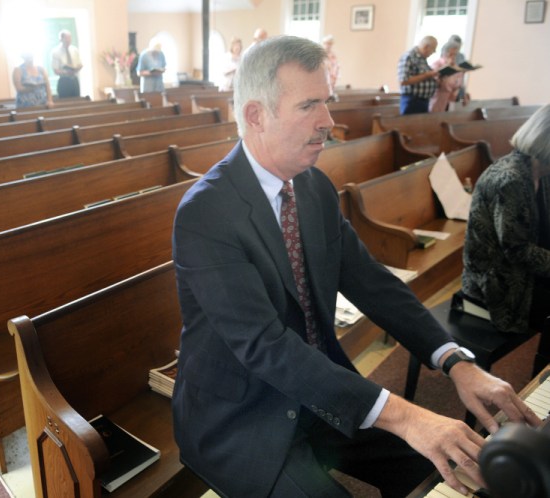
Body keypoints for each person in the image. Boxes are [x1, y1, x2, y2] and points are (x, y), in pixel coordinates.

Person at [171, 35, 540, 498]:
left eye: (327, 102)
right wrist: (408, 415)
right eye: (309, 105)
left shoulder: (313, 187)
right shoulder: (206, 213)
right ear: (256, 115)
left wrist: (455, 362)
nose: (328, 120)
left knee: (448, 464)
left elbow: (373, 284)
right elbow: (265, 346)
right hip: (245, 415)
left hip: (322, 390)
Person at [462, 104, 550, 375]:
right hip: (497, 283)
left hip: (520, 273)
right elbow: (516, 250)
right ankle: (541, 387)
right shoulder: (511, 180)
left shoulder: (539, 173)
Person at [397, 36, 439, 115]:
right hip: (412, 101)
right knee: (409, 126)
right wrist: (427, 75)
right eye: (433, 49)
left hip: (423, 100)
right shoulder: (409, 56)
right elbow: (403, 80)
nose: (434, 52)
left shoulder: (422, 59)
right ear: (426, 47)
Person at [429, 40, 464, 112]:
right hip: (437, 99)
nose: (453, 57)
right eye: (450, 54)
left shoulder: (455, 66)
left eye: (455, 54)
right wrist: (446, 68)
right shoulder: (437, 64)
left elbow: (458, 84)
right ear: (444, 53)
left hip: (450, 100)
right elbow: (434, 82)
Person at [51, 30, 82, 99]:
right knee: (65, 101)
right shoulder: (55, 52)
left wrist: (77, 68)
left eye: (70, 38)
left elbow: (79, 64)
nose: (68, 40)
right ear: (61, 39)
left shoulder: (74, 50)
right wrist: (66, 72)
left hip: (74, 80)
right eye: (66, 38)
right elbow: (56, 70)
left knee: (77, 101)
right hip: (64, 81)